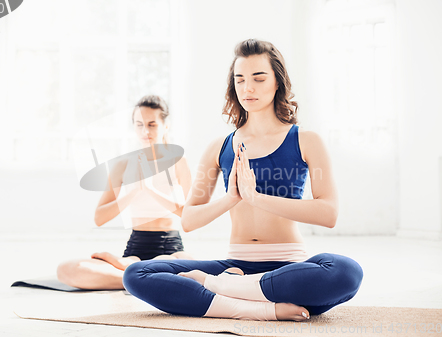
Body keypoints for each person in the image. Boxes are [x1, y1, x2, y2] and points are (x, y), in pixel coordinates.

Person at [122, 39, 363, 321]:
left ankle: (219, 289)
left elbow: (329, 213)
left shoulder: (306, 141)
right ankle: (263, 309)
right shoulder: (219, 147)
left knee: (346, 272)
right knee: (136, 273)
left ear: (277, 83)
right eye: (240, 80)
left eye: (259, 79)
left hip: (286, 271)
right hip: (236, 264)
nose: (248, 88)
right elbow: (189, 219)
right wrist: (231, 198)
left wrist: (257, 198)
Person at [57, 95, 193, 290]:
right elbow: (99, 218)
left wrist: (151, 190)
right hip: (136, 248)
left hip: (169, 248)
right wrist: (134, 192)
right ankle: (137, 276)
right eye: (139, 125)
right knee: (67, 269)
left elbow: (190, 215)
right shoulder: (123, 163)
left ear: (166, 125)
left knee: (186, 265)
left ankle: (133, 273)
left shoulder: (178, 160)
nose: (145, 131)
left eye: (152, 124)